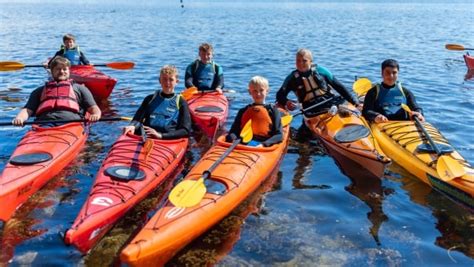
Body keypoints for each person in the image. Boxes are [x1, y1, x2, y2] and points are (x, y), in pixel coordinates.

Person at [12, 57, 101, 126]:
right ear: (51, 71)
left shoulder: (80, 89)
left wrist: (96, 115)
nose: (62, 72)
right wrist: (20, 118)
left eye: (64, 69)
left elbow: (94, 109)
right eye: (58, 69)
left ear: (69, 71)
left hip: (72, 124)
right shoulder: (39, 91)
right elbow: (27, 110)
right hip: (43, 125)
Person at [276, 48, 361, 115]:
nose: (301, 63)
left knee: (345, 106)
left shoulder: (322, 71)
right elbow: (279, 95)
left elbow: (339, 87)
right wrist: (286, 102)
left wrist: (355, 103)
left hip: (330, 102)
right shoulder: (292, 78)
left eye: (304, 60)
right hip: (310, 109)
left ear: (311, 61)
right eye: (298, 60)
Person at [123, 65, 192, 139]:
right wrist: (132, 126)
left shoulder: (181, 102)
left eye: (171, 79)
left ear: (177, 81)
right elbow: (137, 119)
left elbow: (185, 130)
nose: (167, 82)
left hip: (168, 139)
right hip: (146, 137)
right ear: (159, 80)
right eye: (164, 79)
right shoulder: (150, 99)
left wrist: (160, 135)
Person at [226, 76, 283, 147]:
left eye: (261, 90)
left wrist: (263, 144)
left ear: (267, 91)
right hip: (243, 144)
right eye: (255, 91)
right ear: (250, 92)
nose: (258, 94)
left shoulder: (273, 111)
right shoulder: (243, 111)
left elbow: (279, 135)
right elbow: (233, 132)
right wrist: (233, 139)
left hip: (263, 144)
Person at [362, 59, 424, 123]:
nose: (391, 76)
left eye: (394, 73)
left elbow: (416, 108)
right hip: (382, 126)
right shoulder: (373, 92)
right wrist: (376, 116)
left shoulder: (406, 92)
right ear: (382, 73)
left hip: (404, 125)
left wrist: (419, 113)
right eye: (388, 72)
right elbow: (366, 111)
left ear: (398, 73)